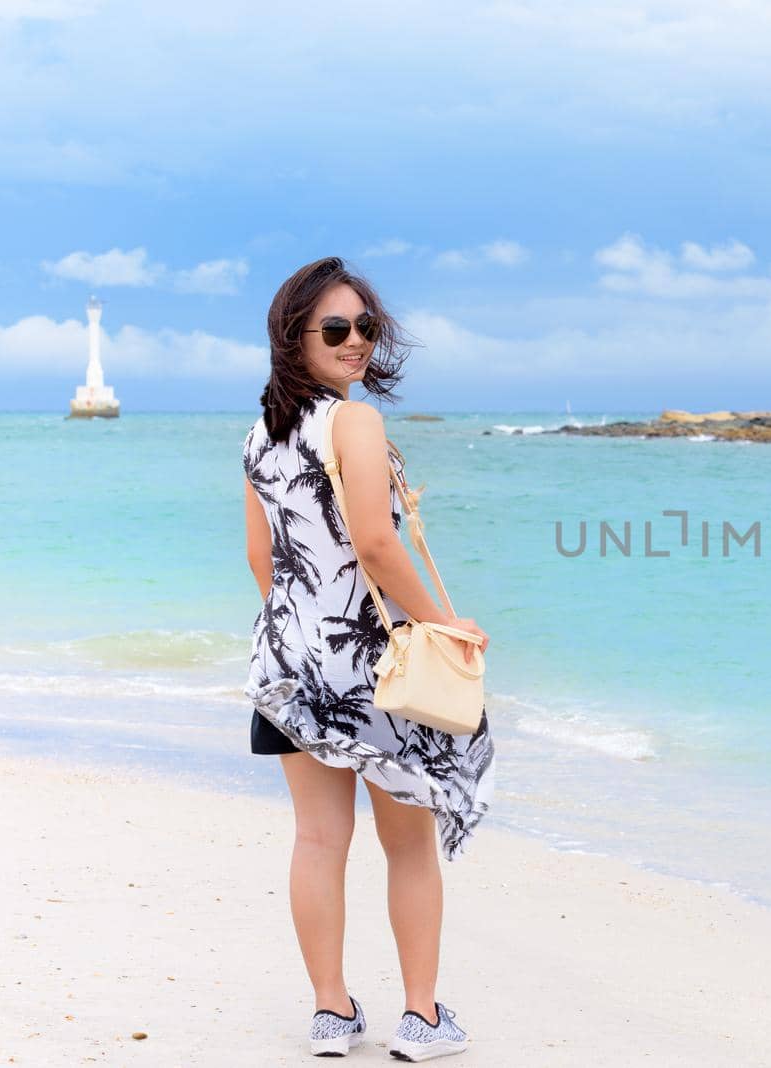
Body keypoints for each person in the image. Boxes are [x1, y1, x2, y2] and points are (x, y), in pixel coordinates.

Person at [241, 256, 495, 1060]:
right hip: (369, 663)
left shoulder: (259, 433)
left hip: (287, 658)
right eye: (337, 329)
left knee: (318, 841)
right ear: (295, 337)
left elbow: (264, 560)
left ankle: (330, 1013)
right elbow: (377, 544)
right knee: (409, 843)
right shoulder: (354, 422)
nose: (357, 343)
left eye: (367, 327)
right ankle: (420, 1018)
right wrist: (444, 625)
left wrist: (301, 631)